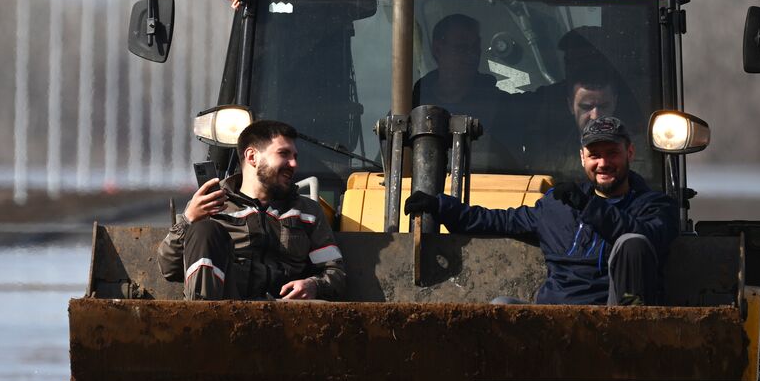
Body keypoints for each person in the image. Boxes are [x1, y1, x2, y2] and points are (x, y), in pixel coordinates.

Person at [403, 116, 677, 305]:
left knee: (632, 243)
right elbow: (496, 220)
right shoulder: (557, 206)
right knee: (500, 307)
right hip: (555, 319)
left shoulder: (653, 206)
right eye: (595, 155)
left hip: (615, 318)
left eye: (612, 153)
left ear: (630, 152)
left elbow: (649, 239)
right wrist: (439, 205)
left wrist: (590, 207)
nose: (603, 162)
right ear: (583, 158)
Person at [157, 119, 346, 300]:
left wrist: (314, 285)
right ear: (252, 157)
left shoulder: (308, 212)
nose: (294, 164)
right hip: (225, 313)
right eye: (284, 154)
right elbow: (169, 268)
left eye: (295, 157)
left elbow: (335, 272)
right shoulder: (208, 205)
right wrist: (189, 220)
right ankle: (205, 322)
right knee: (204, 230)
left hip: (290, 315)